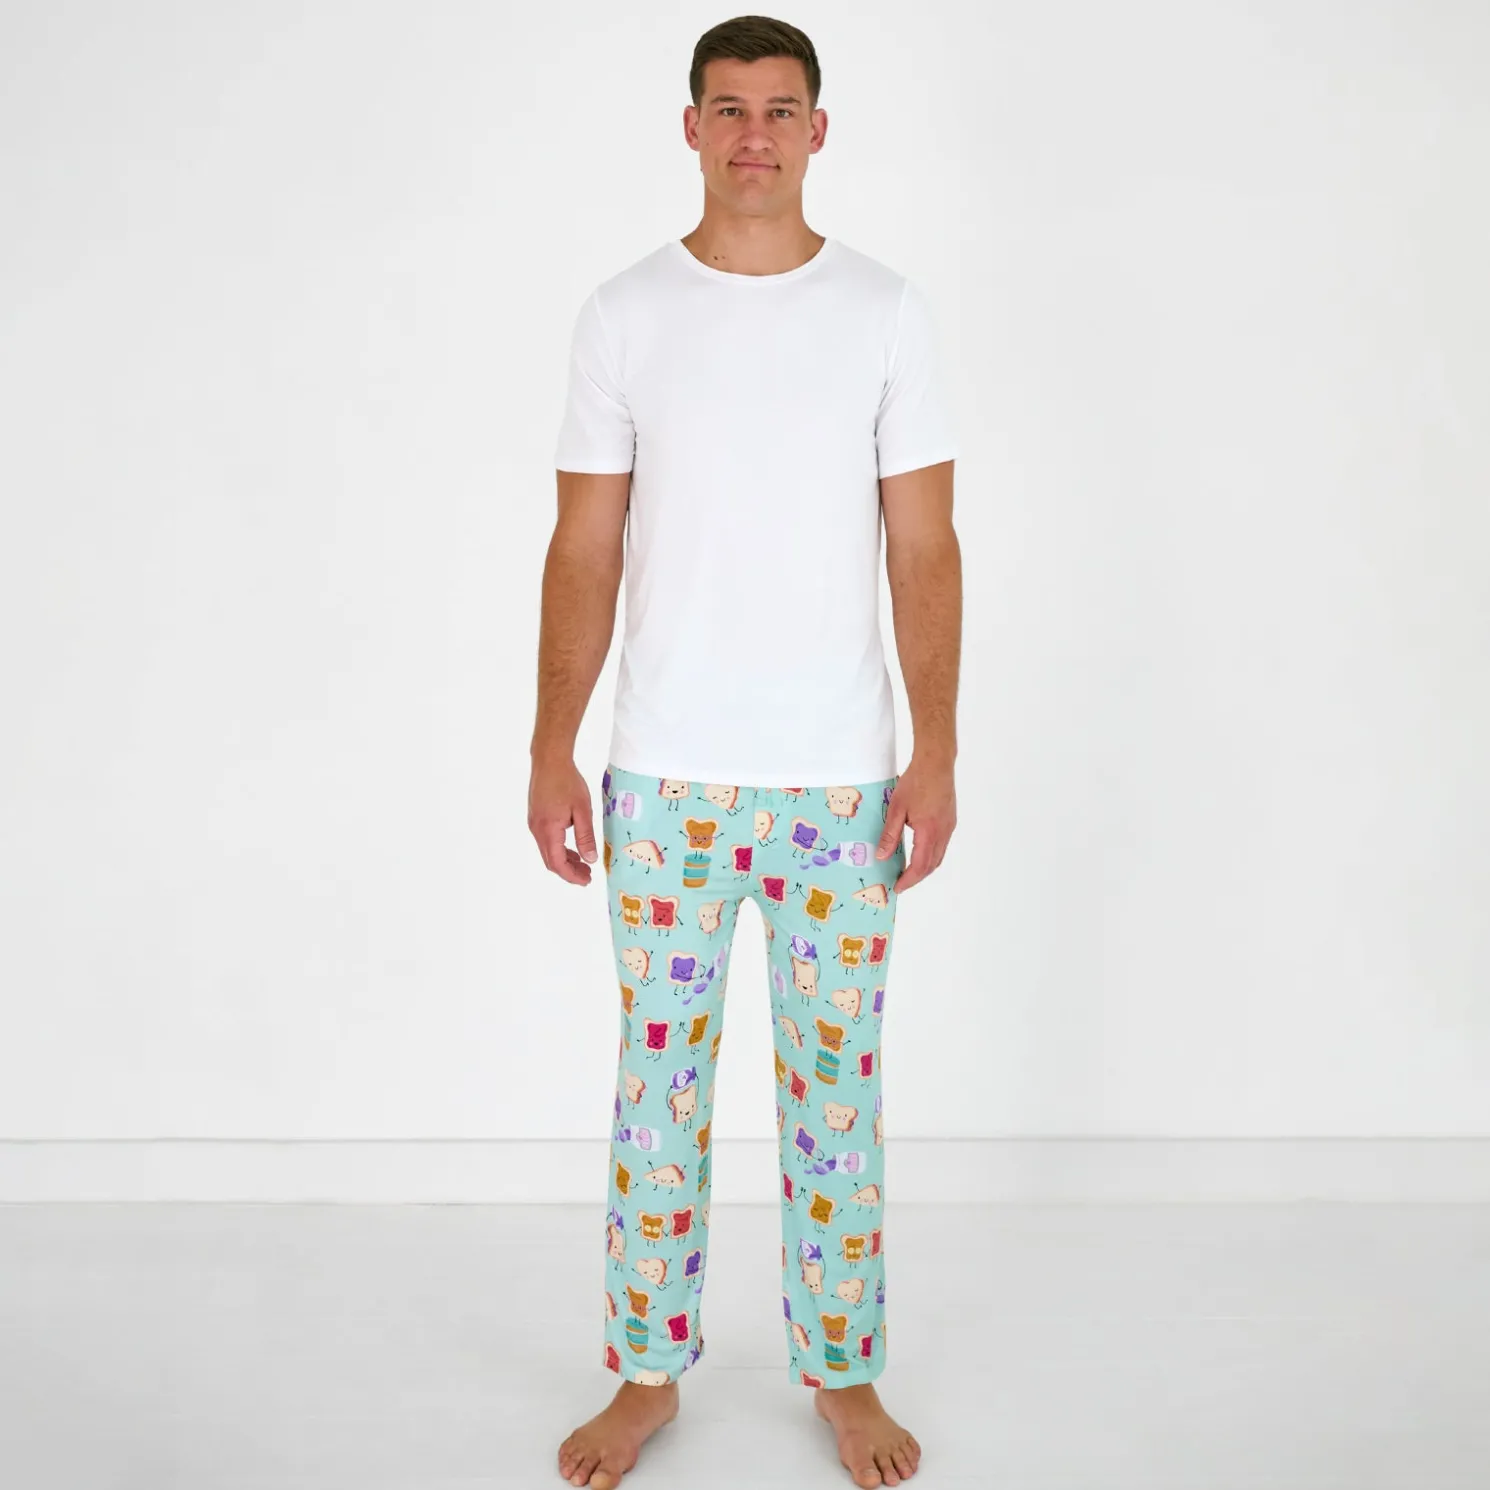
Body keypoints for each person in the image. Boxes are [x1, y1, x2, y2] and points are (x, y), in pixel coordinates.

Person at [529, 16, 960, 1489]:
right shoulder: (624, 314)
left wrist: (935, 752)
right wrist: (552, 746)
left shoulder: (885, 313)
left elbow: (924, 544)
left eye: (781, 109)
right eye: (729, 109)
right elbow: (583, 544)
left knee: (836, 1096)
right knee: (659, 1098)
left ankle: (844, 1371)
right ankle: (646, 1373)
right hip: (665, 779)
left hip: (840, 780)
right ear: (692, 127)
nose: (755, 134)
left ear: (818, 130)